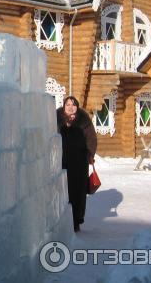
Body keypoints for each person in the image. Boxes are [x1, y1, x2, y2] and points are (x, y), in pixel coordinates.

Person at [56, 96, 97, 233]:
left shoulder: (83, 118)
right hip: (60, 161)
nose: (70, 107)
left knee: (78, 191)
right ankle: (59, 219)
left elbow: (91, 138)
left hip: (79, 162)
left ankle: (76, 220)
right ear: (63, 106)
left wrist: (90, 154)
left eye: (73, 105)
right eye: (68, 104)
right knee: (62, 189)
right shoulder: (56, 117)